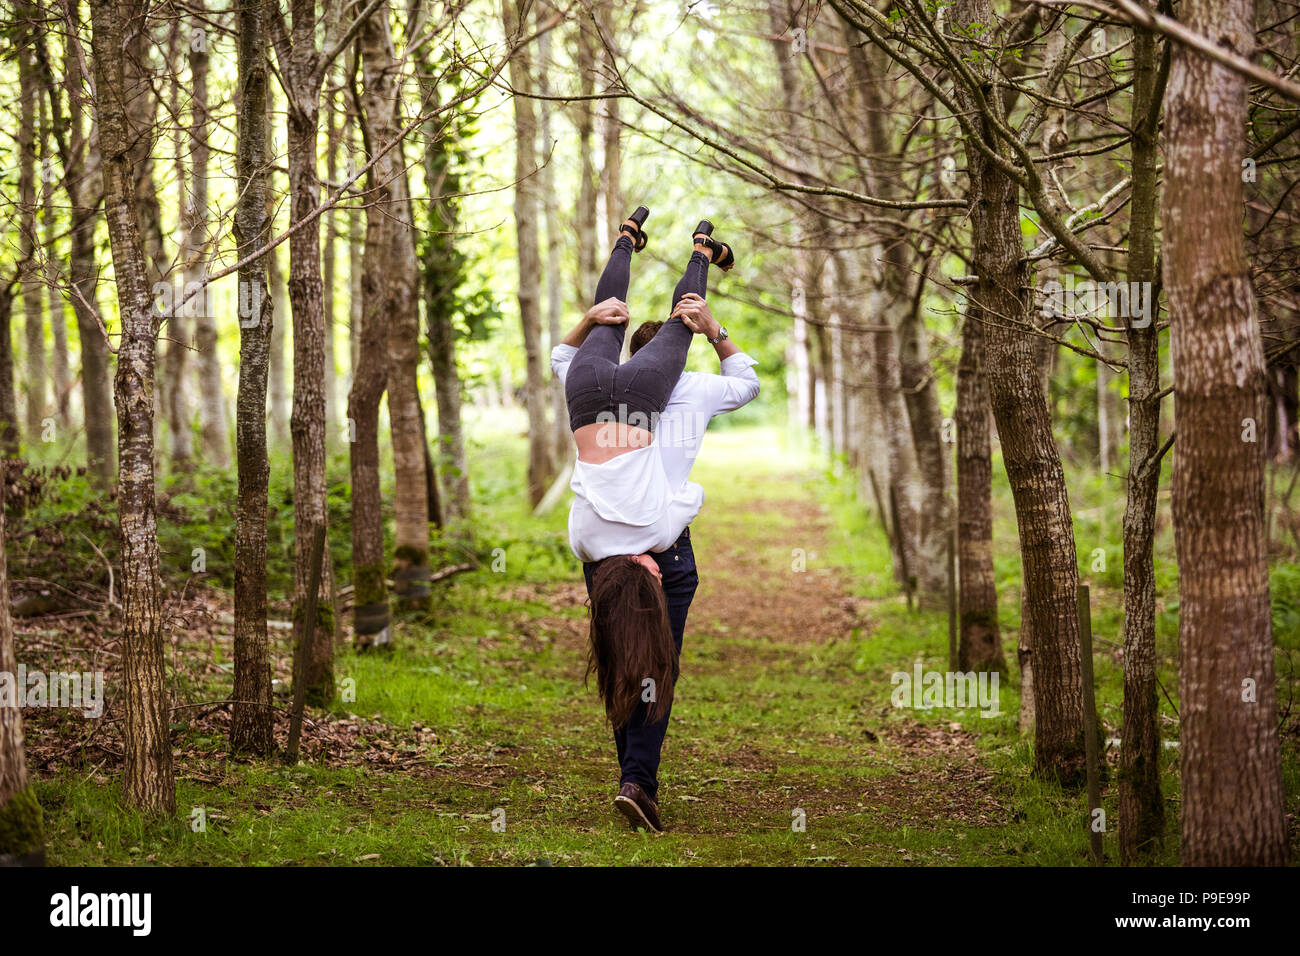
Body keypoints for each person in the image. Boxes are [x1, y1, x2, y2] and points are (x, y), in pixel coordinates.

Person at [555, 206, 759, 832]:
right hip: (654, 554)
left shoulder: (601, 375)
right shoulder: (687, 387)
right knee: (652, 667)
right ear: (665, 362)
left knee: (624, 661)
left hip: (606, 557)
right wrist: (711, 325)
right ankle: (637, 780)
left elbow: (565, 353)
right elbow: (746, 382)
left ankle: (630, 237)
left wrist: (590, 319)